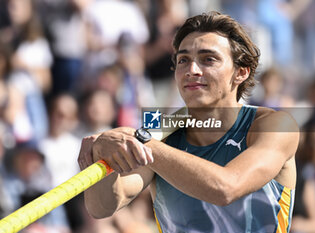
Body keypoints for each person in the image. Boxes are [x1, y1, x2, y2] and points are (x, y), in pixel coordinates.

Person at [78, 11, 299, 232]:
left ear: (240, 72)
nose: (191, 70)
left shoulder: (275, 125)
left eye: (208, 59)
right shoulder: (160, 130)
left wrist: (143, 143)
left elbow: (226, 188)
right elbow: (103, 207)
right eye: (183, 60)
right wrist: (101, 152)